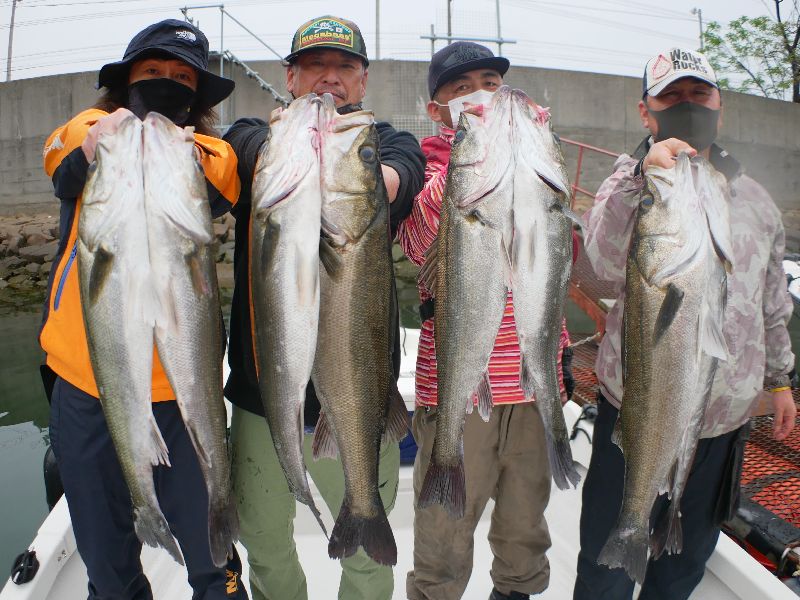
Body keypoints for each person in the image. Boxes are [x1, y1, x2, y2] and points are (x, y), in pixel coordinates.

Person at [573, 47, 797, 600]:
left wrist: (779, 380)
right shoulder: (629, 186)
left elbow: (772, 301)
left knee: (684, 565)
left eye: (699, 94)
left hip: (723, 423)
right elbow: (597, 272)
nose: (687, 105)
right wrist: (642, 180)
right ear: (645, 112)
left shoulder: (757, 200)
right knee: (604, 571)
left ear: (720, 105)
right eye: (671, 96)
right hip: (638, 411)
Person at [40, 19, 247, 600]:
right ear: (124, 81)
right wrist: (102, 140)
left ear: (197, 98)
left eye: (182, 77)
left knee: (215, 560)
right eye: (152, 71)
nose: (165, 82)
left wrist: (173, 146)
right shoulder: (88, 127)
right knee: (107, 566)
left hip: (185, 392)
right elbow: (63, 156)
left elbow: (222, 179)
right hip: (86, 386)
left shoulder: (207, 150)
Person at [222, 15, 425, 600]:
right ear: (290, 77)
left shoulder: (382, 141)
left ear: (363, 81)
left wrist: (370, 174)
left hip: (360, 398)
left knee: (367, 556)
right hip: (262, 396)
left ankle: (364, 519)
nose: (329, 78)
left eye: (345, 67)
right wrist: (289, 148)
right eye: (315, 65)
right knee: (263, 540)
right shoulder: (258, 138)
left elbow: (404, 172)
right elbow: (238, 149)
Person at [398, 41, 572, 600]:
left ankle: (515, 591)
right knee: (445, 533)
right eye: (462, 88)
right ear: (437, 109)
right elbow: (418, 242)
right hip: (457, 387)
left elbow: (555, 258)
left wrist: (534, 146)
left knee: (525, 523)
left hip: (533, 385)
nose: (481, 95)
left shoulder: (534, 164)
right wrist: (472, 155)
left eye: (491, 84)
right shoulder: (428, 171)